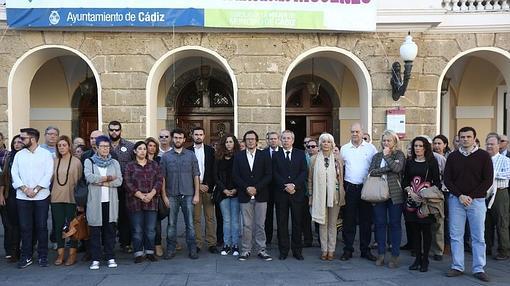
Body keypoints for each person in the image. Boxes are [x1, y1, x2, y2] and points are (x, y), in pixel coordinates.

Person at [444, 127, 493, 282]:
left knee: (478, 236)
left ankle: (479, 268)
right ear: (458, 138)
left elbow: (488, 180)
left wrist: (470, 196)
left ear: (474, 138)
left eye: (468, 137)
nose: (465, 139)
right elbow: (447, 179)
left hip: (476, 201)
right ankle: (457, 266)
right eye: (462, 137)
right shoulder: (452, 157)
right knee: (456, 235)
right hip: (456, 201)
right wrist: (460, 195)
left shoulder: (484, 156)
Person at [11, 128, 53, 268]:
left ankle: (43, 256)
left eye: (23, 138)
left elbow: (48, 174)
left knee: (41, 227)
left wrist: (35, 189)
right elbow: (14, 174)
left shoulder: (46, 154)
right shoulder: (19, 155)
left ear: (33, 139)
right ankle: (26, 256)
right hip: (22, 197)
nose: (20, 141)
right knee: (25, 227)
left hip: (41, 196)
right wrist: (24, 189)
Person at [160, 128, 200, 260]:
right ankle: (171, 249)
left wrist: (197, 194)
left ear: (184, 139)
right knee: (171, 224)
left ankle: (192, 249)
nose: (178, 140)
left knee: (190, 223)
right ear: (172, 139)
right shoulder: (166, 157)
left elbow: (196, 175)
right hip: (171, 195)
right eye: (176, 137)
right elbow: (162, 178)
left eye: (180, 138)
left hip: (188, 194)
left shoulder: (191, 155)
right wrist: (164, 196)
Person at [403, 136, 441, 272]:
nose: (417, 148)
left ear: (425, 148)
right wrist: (410, 192)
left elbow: (437, 182)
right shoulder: (410, 162)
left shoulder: (432, 162)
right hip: (411, 201)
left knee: (426, 231)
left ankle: (425, 260)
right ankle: (417, 259)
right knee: (414, 231)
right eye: (415, 146)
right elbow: (405, 180)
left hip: (426, 202)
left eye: (420, 146)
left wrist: (425, 194)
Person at [233, 130, 273, 261]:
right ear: (244, 142)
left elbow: (269, 175)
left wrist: (256, 188)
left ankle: (261, 249)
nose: (250, 141)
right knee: (247, 225)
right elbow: (235, 175)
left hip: (261, 195)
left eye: (252, 139)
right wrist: (246, 188)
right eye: (248, 139)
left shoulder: (264, 155)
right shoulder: (238, 156)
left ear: (257, 141)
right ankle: (245, 250)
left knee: (260, 224)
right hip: (245, 196)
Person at [340, 123, 377, 261]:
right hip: (350, 188)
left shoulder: (371, 148)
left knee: (366, 221)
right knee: (348, 220)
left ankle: (365, 250)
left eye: (357, 131)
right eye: (352, 131)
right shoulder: (344, 149)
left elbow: (376, 166)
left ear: (362, 133)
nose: (354, 134)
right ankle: (348, 249)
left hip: (366, 188)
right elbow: (340, 168)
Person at [368, 130, 406, 268]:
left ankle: (395, 256)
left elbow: (397, 168)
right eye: (384, 140)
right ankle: (381, 254)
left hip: (395, 195)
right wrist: (387, 168)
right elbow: (372, 172)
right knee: (380, 224)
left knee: (395, 224)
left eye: (389, 140)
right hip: (379, 194)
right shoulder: (377, 156)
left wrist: (388, 158)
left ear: (394, 142)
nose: (386, 143)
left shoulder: (399, 154)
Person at [85, 135, 123, 270]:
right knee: (95, 231)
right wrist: (107, 178)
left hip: (110, 202)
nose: (106, 149)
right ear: (97, 147)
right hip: (95, 202)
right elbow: (89, 177)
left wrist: (101, 183)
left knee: (110, 231)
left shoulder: (114, 163)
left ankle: (110, 257)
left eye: (108, 146)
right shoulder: (90, 162)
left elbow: (119, 181)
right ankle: (95, 259)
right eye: (103, 146)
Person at [124, 141, 163, 263]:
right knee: (137, 229)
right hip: (135, 202)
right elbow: (127, 183)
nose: (143, 151)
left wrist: (151, 194)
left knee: (151, 229)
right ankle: (138, 253)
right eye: (140, 149)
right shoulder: (130, 166)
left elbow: (159, 180)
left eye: (144, 149)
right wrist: (140, 195)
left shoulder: (154, 165)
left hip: (151, 201)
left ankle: (150, 252)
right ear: (135, 151)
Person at [309, 133, 345, 260]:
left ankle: (332, 250)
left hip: (334, 196)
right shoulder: (314, 159)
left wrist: (341, 195)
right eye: (323, 141)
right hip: (319, 196)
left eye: (328, 142)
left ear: (332, 144)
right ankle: (324, 250)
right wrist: (311, 196)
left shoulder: (337, 159)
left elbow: (341, 179)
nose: (326, 144)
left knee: (332, 224)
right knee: (322, 224)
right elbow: (310, 179)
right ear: (320, 143)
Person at [273, 130, 307, 260]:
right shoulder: (276, 155)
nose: (286, 140)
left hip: (296, 193)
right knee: (282, 223)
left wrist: (294, 186)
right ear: (281, 140)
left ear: (293, 140)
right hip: (281, 194)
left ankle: (297, 250)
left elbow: (304, 171)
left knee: (297, 223)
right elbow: (274, 173)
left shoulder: (300, 154)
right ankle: (283, 250)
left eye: (288, 138)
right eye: (284, 138)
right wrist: (285, 185)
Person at [51, 135, 82, 266]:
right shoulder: (54, 160)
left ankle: (72, 254)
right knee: (58, 227)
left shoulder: (76, 162)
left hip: (71, 199)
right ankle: (60, 254)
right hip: (56, 198)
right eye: (59, 146)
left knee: (71, 227)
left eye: (64, 145)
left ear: (69, 146)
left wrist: (80, 203)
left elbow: (80, 182)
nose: (62, 148)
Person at [187, 127, 218, 254]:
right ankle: (198, 243)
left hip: (208, 188)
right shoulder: (187, 151)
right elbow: (186, 171)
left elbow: (213, 170)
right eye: (196, 134)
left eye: (200, 134)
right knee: (196, 218)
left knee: (210, 217)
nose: (198, 136)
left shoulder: (211, 151)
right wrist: (197, 186)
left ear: (204, 136)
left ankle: (211, 243)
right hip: (194, 190)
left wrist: (207, 185)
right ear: (192, 136)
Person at [108, 120, 135, 253]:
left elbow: (135, 165)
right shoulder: (103, 145)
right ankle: (109, 243)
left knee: (125, 216)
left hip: (125, 187)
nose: (114, 132)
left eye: (116, 129)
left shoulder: (129, 146)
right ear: (108, 130)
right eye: (112, 129)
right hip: (108, 187)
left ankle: (125, 243)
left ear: (120, 131)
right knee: (110, 216)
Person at [214, 134, 241, 256]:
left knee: (235, 220)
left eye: (230, 142)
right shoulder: (218, 158)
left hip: (236, 192)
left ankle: (235, 244)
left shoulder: (240, 157)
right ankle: (226, 244)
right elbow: (216, 176)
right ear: (223, 144)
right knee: (226, 220)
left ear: (234, 143)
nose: (228, 144)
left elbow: (242, 175)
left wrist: (235, 189)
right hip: (222, 193)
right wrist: (224, 189)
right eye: (226, 142)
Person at [485, 133, 510, 260]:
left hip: (500, 193)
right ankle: (486, 248)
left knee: (502, 222)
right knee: (485, 222)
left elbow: (507, 175)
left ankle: (504, 251)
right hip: (484, 194)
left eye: (492, 144)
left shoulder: (506, 160)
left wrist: (491, 174)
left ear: (498, 145)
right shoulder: (483, 159)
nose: (489, 146)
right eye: (488, 144)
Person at [0, 135, 23, 262]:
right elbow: (4, 177)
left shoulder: (27, 157)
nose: (17, 145)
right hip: (11, 194)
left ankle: (26, 248)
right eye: (15, 142)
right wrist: (2, 193)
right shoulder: (9, 158)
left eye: (20, 142)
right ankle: (14, 251)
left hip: (26, 194)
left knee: (24, 223)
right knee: (12, 224)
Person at [263, 131, 280, 246]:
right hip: (266, 188)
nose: (273, 140)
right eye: (270, 139)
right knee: (267, 215)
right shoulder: (262, 153)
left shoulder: (284, 152)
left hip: (280, 188)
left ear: (278, 140)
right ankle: (267, 238)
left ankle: (281, 237)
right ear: (267, 140)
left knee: (281, 214)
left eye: (275, 139)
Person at [303, 138, 319, 248]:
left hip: (318, 191)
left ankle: (320, 239)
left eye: (313, 146)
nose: (310, 148)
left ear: (317, 147)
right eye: (308, 146)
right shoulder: (303, 157)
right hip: (305, 191)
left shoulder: (321, 159)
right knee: (305, 217)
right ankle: (308, 239)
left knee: (319, 217)